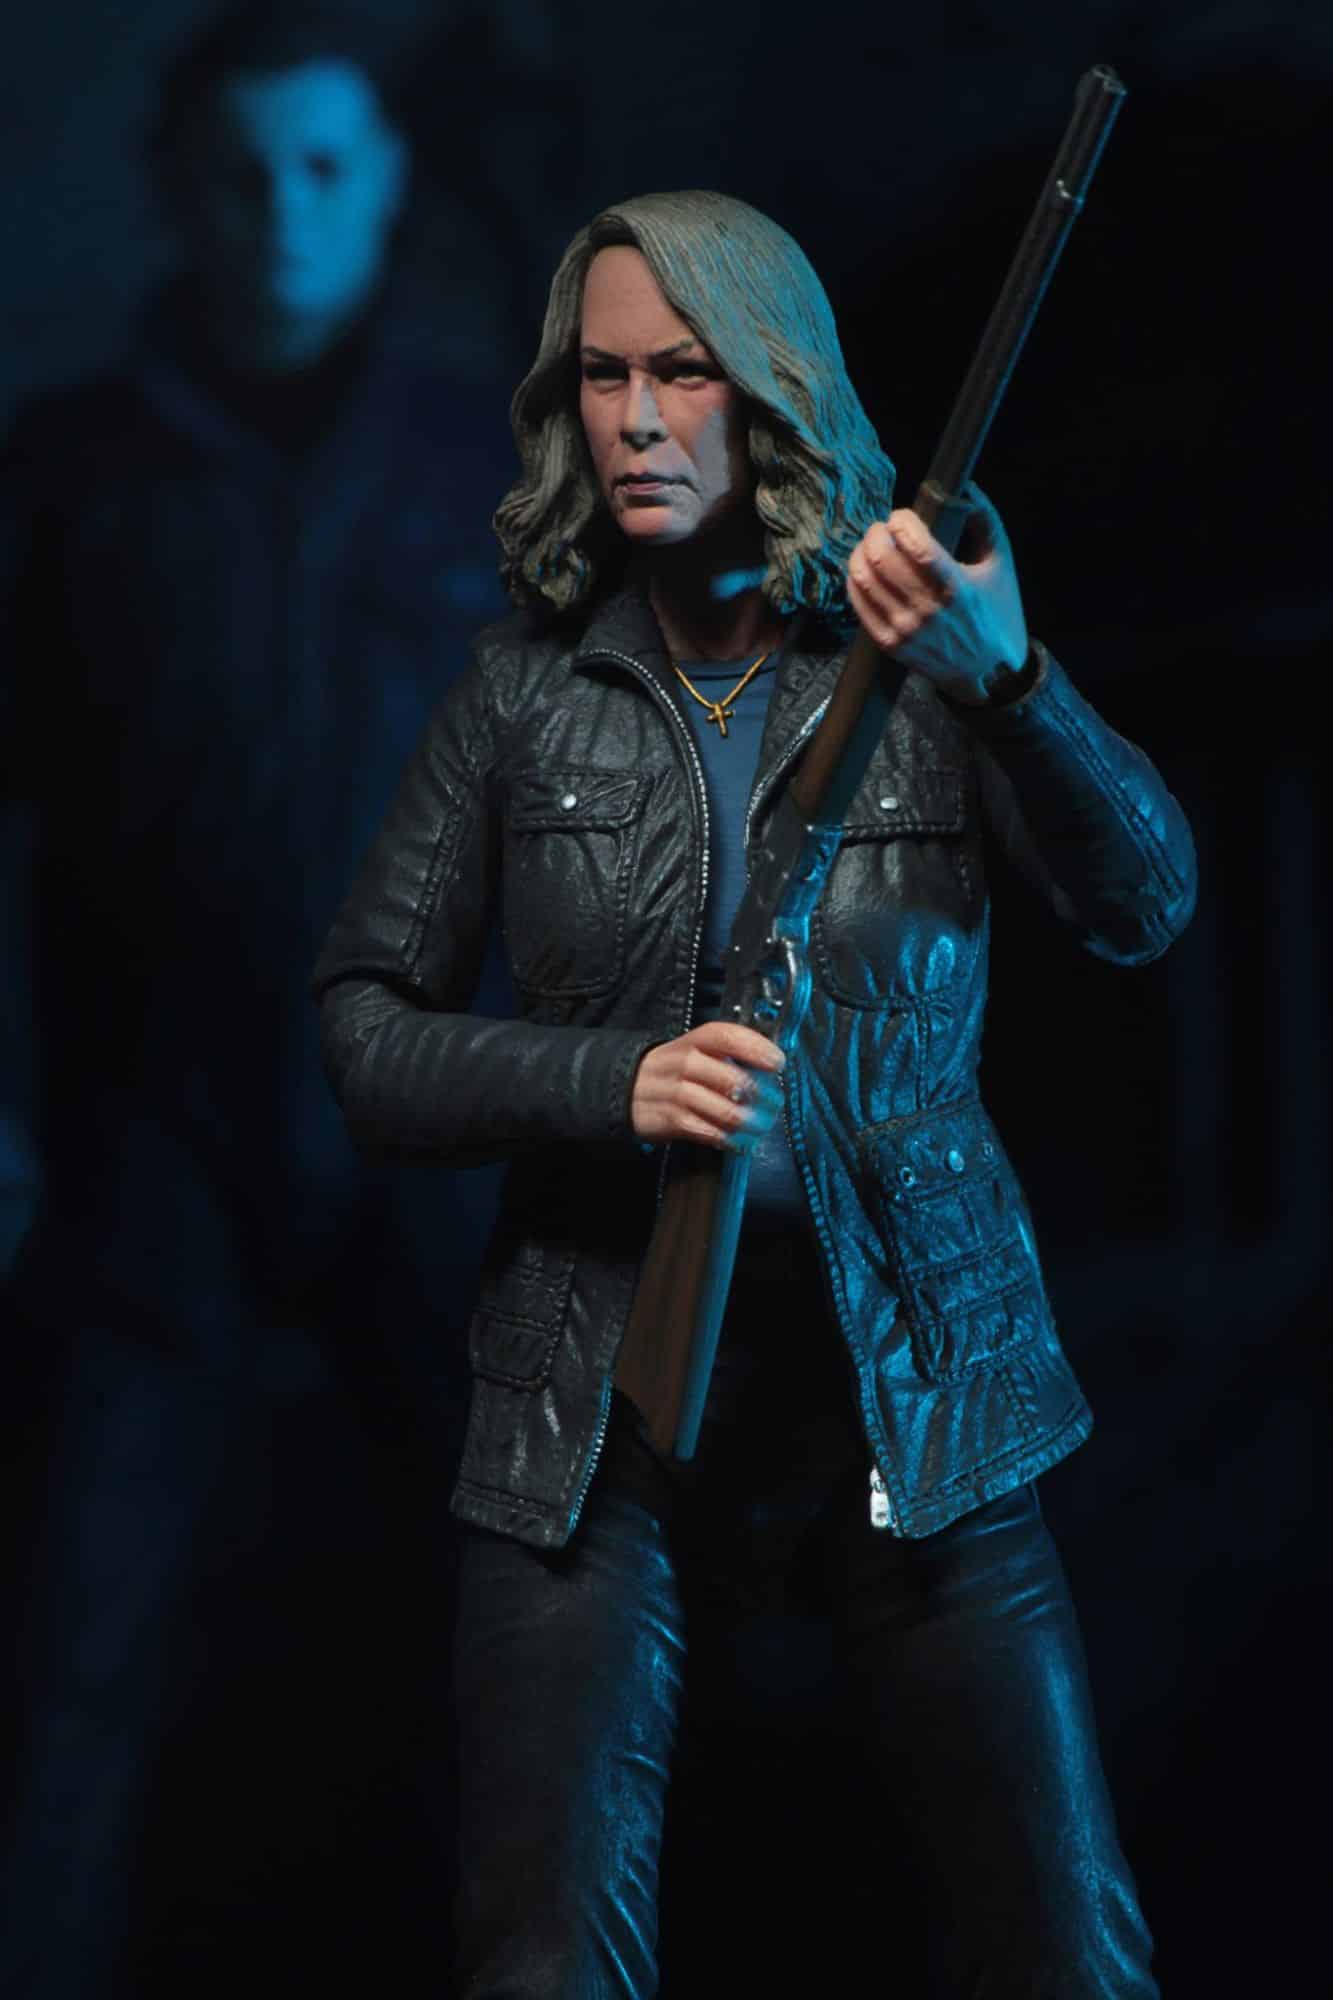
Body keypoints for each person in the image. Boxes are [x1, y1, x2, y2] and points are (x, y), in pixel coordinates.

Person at [313, 190, 1197, 1996]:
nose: (636, 419)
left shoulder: (919, 665)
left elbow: (1142, 903)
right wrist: (614, 1082)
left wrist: (1009, 682)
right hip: (593, 1404)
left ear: (772, 385)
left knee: (1064, 1941)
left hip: (914, 1386)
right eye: (601, 377)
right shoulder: (522, 698)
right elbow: (365, 1037)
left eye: (685, 372)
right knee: (543, 1956)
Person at [0, 5, 515, 1990]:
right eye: (237, 173)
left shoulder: (501, 469)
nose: (279, 215)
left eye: (318, 168)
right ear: (172, 192)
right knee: (72, 1650)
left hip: (445, 1141)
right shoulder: (67, 472)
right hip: (156, 1139)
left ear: (384, 183)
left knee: (519, 1644)